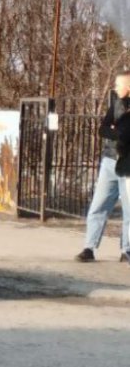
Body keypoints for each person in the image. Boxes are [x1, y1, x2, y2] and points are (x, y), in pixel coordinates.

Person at [77, 72, 130, 262]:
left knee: (129, 210)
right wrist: (118, 133)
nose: (115, 88)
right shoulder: (116, 105)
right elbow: (103, 129)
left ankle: (127, 250)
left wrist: (119, 131)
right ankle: (89, 248)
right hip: (110, 161)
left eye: (118, 85)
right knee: (98, 205)